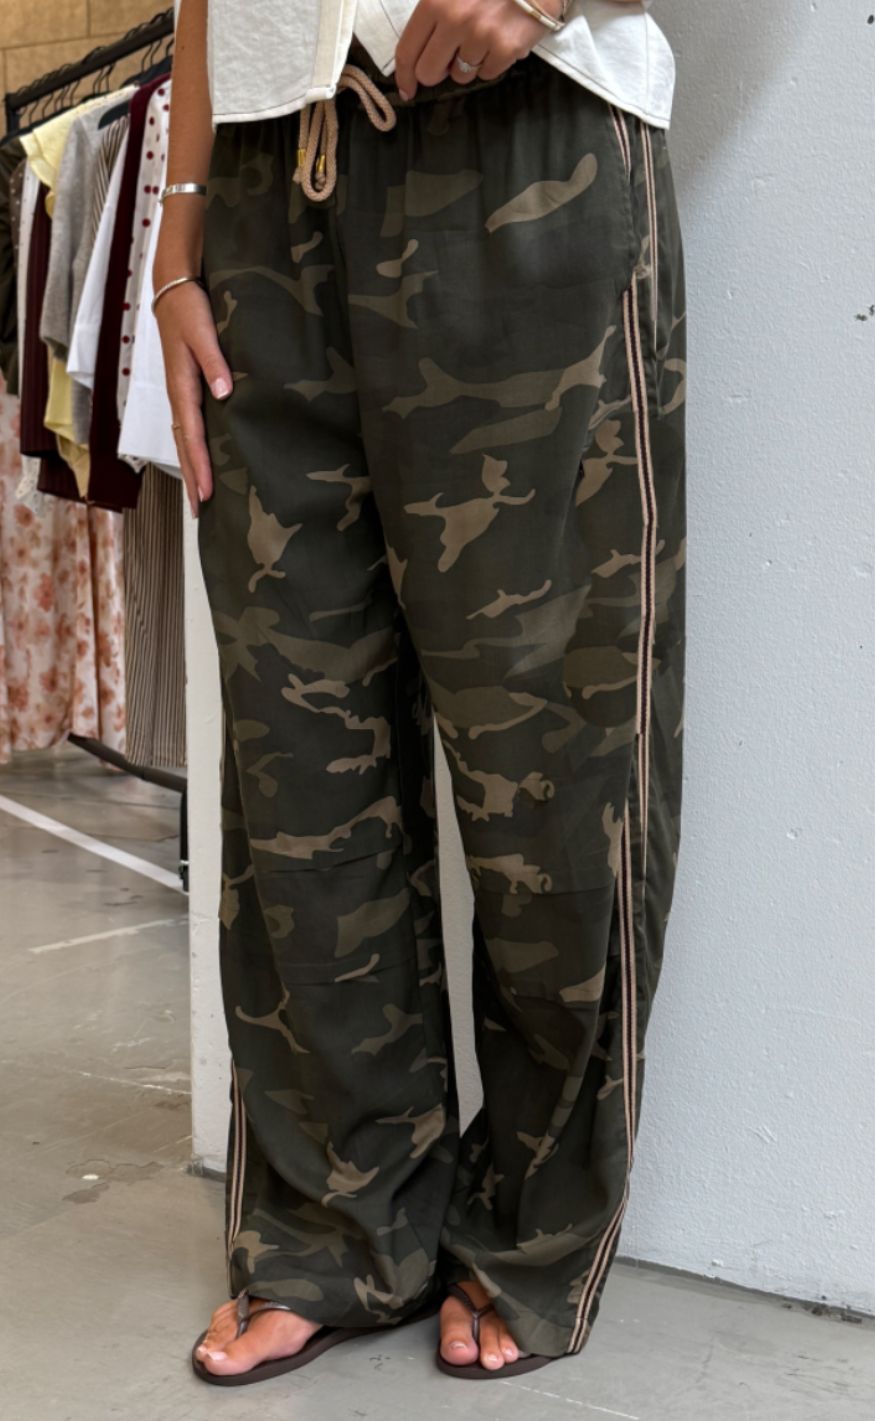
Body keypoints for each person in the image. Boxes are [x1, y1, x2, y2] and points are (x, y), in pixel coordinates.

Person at [154, 0, 687, 1387]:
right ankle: (337, 1222)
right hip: (268, 169)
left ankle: (533, 1228)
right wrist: (180, 216)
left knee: (551, 754)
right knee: (297, 752)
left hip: (526, 139)